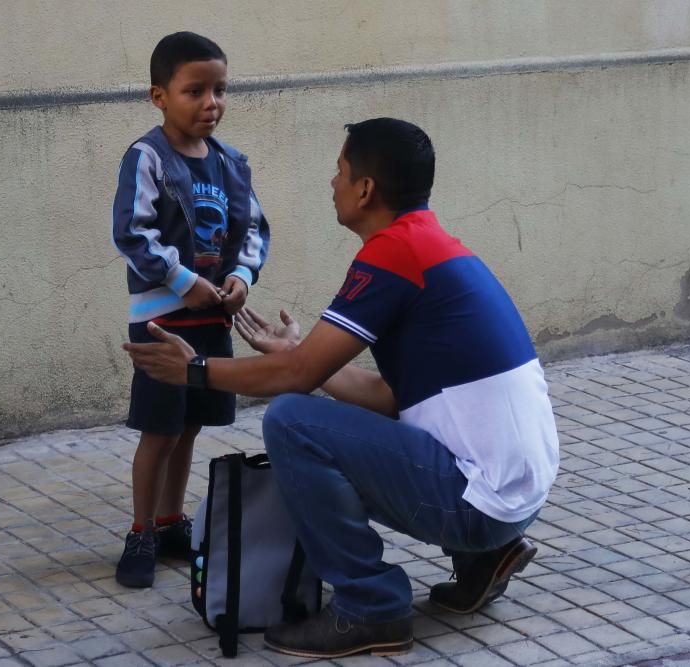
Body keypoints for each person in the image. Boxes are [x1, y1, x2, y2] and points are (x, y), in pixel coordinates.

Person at [124, 118, 558, 658]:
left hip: (481, 501)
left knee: (290, 420)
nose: (332, 181)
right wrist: (300, 359)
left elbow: (296, 380)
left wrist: (197, 371)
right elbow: (390, 399)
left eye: (340, 170)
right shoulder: (431, 244)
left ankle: (370, 608)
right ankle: (480, 560)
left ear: (365, 189)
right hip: (516, 498)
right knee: (333, 416)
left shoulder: (393, 253)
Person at [110, 31, 270, 589]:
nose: (211, 103)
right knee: (159, 428)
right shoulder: (147, 157)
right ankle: (141, 532)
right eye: (194, 90)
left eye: (220, 90)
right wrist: (183, 281)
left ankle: (171, 520)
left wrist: (240, 277)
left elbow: (252, 231)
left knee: (191, 426)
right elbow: (132, 232)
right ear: (159, 96)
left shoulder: (232, 164)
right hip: (163, 319)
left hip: (212, 319)